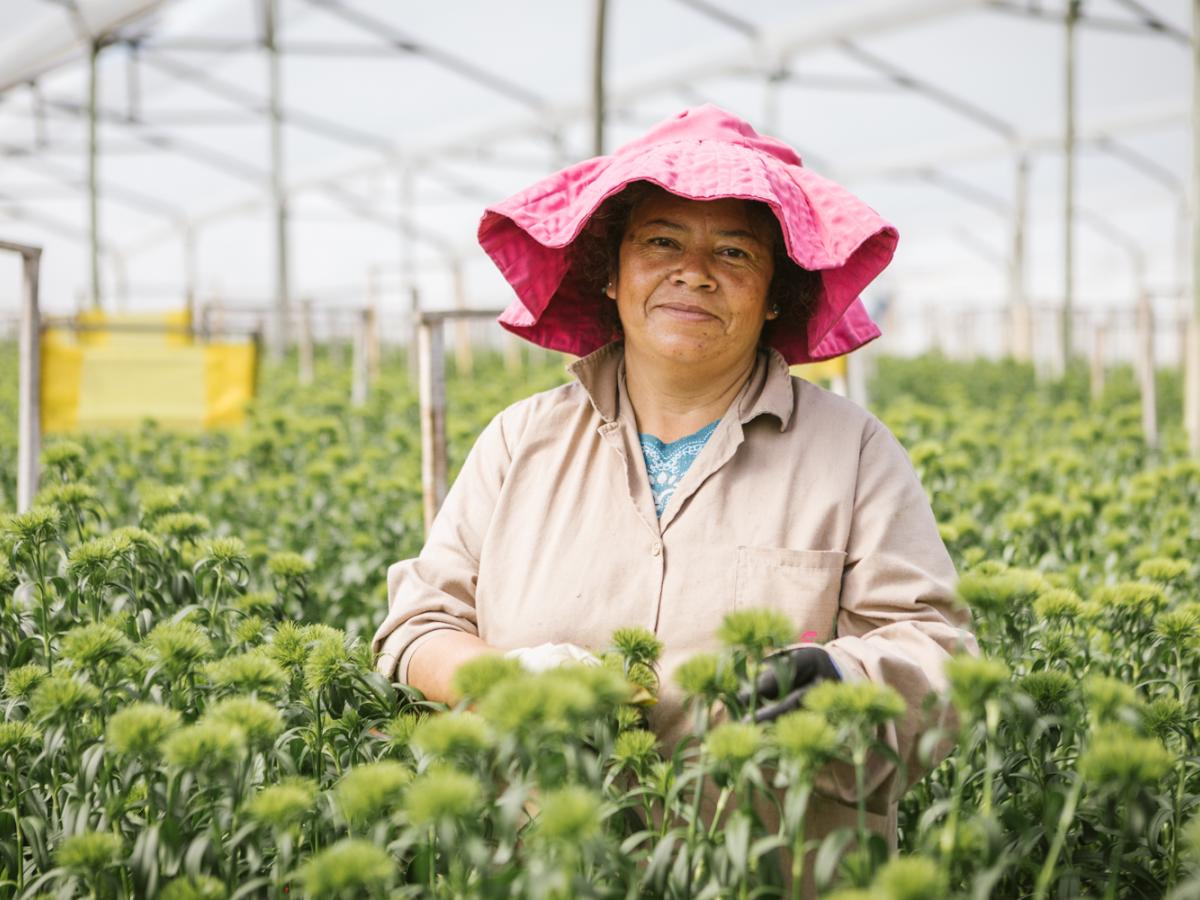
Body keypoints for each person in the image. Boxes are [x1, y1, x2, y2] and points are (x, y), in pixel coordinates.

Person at [372, 104, 978, 860]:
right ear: (611, 275)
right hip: (547, 864)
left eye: (734, 252)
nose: (693, 272)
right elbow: (418, 625)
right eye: (661, 242)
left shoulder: (854, 453)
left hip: (771, 865)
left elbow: (944, 654)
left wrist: (841, 677)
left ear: (775, 294)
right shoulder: (520, 440)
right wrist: (503, 681)